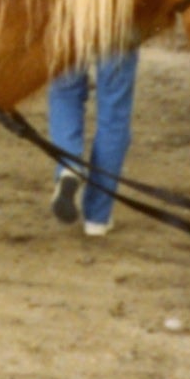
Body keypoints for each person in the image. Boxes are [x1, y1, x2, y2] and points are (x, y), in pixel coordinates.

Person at [47, 48, 140, 239]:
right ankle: (97, 218)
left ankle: (69, 165)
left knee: (64, 92)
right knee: (114, 113)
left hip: (68, 23)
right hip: (120, 25)